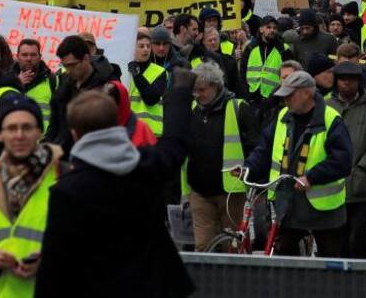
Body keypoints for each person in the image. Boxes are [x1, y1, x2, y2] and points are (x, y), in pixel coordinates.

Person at [36, 84, 193, 298]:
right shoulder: (148, 166)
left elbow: (54, 266)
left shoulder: (66, 191)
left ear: (74, 134)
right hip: (152, 286)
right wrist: (180, 92)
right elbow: (175, 145)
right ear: (117, 123)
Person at [243, 70, 353, 257]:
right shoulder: (283, 116)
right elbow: (264, 149)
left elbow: (343, 161)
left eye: (290, 95)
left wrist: (312, 177)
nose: (285, 100)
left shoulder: (331, 119)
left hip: (325, 210)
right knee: (284, 254)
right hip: (289, 203)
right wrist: (248, 168)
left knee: (331, 259)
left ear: (307, 93)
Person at [0, 95, 62, 296]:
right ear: (0, 134)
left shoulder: (62, 175)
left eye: (27, 128)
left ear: (39, 131)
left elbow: (85, 244)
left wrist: (48, 262)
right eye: (11, 128)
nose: (19, 135)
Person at [183, 62, 259, 252]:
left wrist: (249, 173)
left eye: (201, 90)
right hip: (199, 192)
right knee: (202, 248)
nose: (197, 95)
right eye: (194, 90)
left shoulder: (239, 108)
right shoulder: (191, 110)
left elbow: (255, 147)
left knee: (233, 248)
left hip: (230, 194)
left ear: (215, 86)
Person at [326, 60, 366, 261]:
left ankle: (363, 275)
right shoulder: (326, 106)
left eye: (352, 80)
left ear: (359, 82)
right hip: (333, 187)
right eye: (343, 79)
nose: (347, 83)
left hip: (362, 187)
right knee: (338, 241)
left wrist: (362, 167)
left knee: (359, 239)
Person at [46, 35, 116, 153]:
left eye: (73, 65)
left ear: (86, 58)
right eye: (65, 66)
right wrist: (48, 147)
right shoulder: (65, 84)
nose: (69, 70)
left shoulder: (107, 86)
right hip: (64, 153)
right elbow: (55, 124)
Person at [129, 32, 167, 137]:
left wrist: (137, 75)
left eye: (148, 46)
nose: (146, 49)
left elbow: (151, 99)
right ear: (132, 48)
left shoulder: (160, 71)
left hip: (152, 132)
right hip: (129, 131)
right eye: (141, 46)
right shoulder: (124, 71)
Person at [14, 39, 56, 133]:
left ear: (40, 57)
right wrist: (16, 85)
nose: (29, 59)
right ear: (17, 57)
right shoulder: (6, 81)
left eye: (33, 55)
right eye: (24, 55)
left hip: (44, 140)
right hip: (15, 139)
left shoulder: (53, 81)